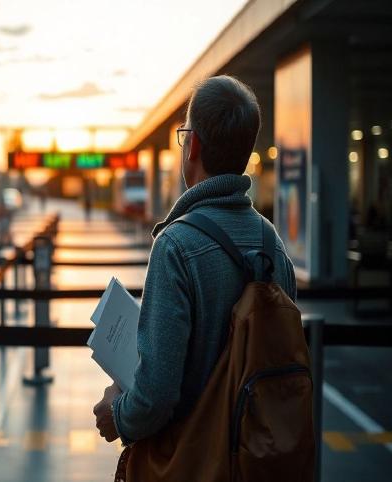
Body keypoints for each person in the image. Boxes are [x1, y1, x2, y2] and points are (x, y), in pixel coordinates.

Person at [93, 76, 297, 453]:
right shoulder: (274, 245)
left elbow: (156, 396)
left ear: (193, 145)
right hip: (257, 460)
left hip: (192, 461)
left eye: (185, 133)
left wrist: (116, 412)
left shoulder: (176, 246)